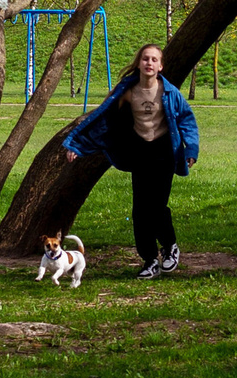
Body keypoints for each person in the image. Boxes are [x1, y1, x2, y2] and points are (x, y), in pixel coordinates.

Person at [60, 43, 199, 278]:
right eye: (145, 59)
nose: (149, 63)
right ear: (139, 63)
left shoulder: (170, 92)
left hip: (164, 151)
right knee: (140, 209)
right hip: (140, 153)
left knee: (157, 206)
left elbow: (187, 119)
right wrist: (77, 146)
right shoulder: (127, 91)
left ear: (161, 66)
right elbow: (102, 120)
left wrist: (190, 149)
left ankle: (170, 246)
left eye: (154, 60)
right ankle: (149, 260)